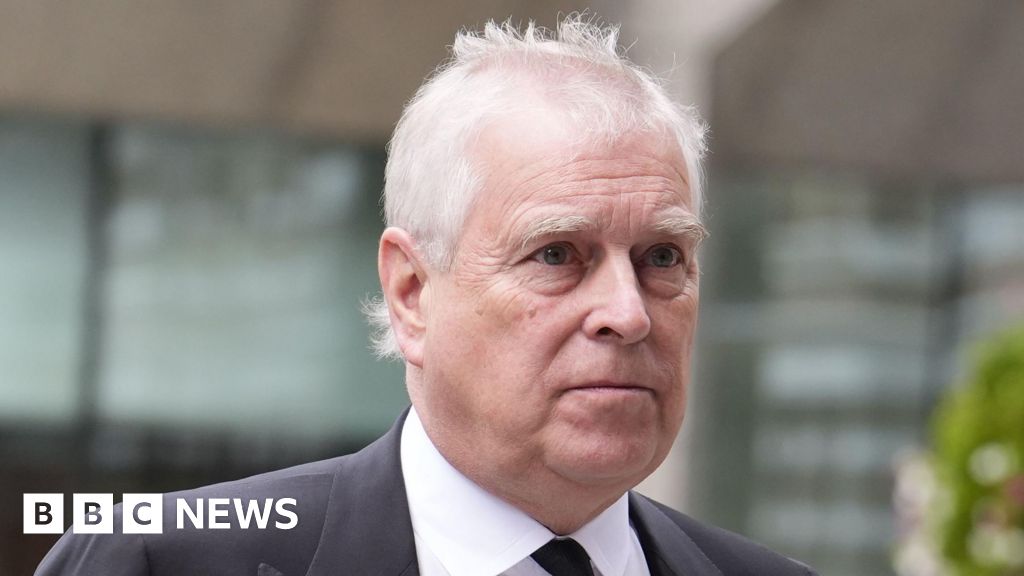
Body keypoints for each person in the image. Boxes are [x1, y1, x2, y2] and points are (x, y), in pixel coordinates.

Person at [37, 17, 816, 576]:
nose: (628, 312)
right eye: (556, 254)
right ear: (411, 293)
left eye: (662, 257)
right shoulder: (156, 561)